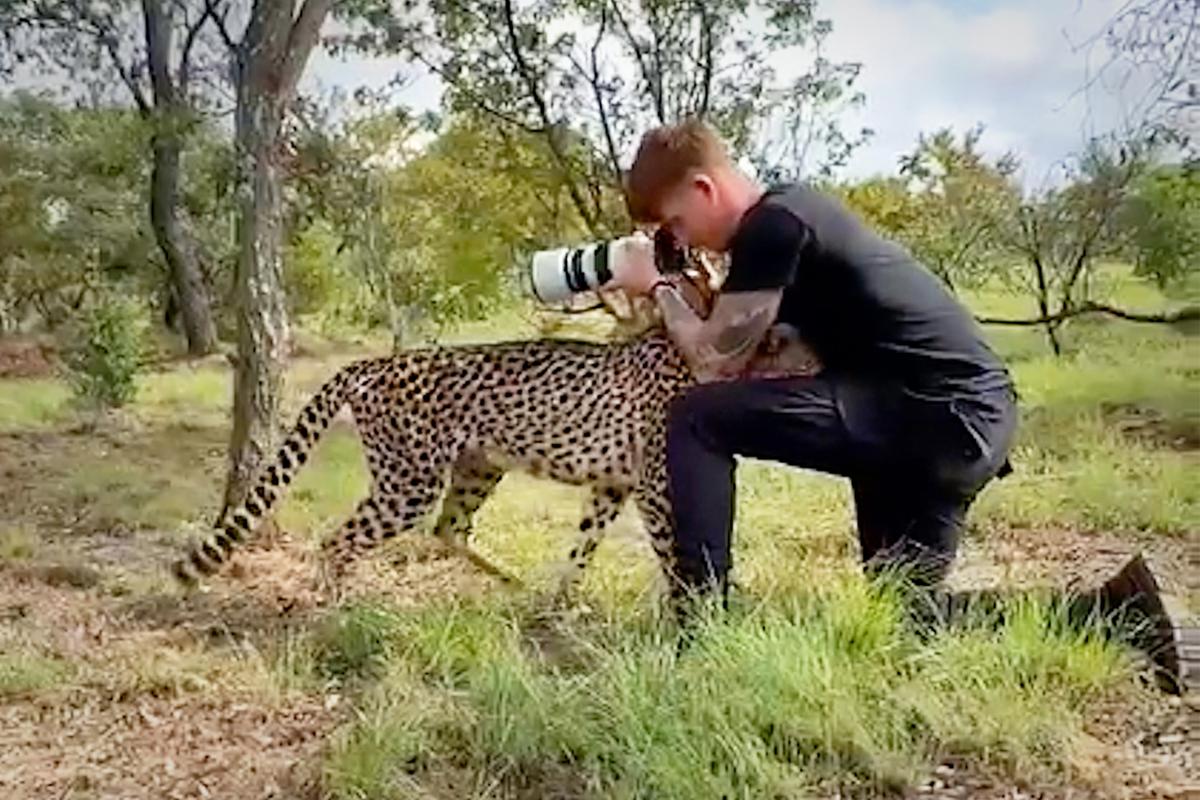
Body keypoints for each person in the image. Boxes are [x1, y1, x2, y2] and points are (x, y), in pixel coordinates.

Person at [610, 118, 1018, 608]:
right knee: (905, 613)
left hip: (932, 417)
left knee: (697, 416)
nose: (683, 240)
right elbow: (769, 360)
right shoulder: (794, 216)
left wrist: (656, 284)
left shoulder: (772, 228)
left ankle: (700, 612)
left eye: (676, 223)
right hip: (961, 422)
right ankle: (1112, 608)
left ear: (703, 188)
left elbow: (712, 365)